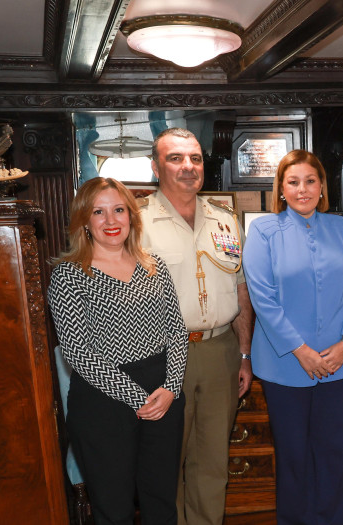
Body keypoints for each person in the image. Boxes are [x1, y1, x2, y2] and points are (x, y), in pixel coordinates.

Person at [48, 177, 188, 525]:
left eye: (119, 210)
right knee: (114, 511)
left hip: (163, 395)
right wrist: (135, 396)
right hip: (102, 403)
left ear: (131, 216)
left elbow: (177, 332)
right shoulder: (69, 276)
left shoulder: (154, 265)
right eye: (99, 212)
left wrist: (171, 388)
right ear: (84, 221)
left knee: (162, 504)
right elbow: (77, 352)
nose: (111, 221)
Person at [242, 150, 343, 524]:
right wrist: (301, 351)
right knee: (294, 456)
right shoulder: (263, 231)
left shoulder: (341, 229)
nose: (302, 189)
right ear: (281, 188)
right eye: (293, 181)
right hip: (285, 366)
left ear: (322, 185)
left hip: (337, 364)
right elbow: (262, 298)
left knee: (331, 454)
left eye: (310, 180)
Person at [140, 127, 254, 525]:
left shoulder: (226, 221)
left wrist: (243, 354)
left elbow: (240, 291)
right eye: (175, 158)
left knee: (212, 462)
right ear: (156, 167)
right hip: (161, 355)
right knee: (165, 461)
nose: (188, 167)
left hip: (221, 351)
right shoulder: (136, 222)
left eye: (195, 159)